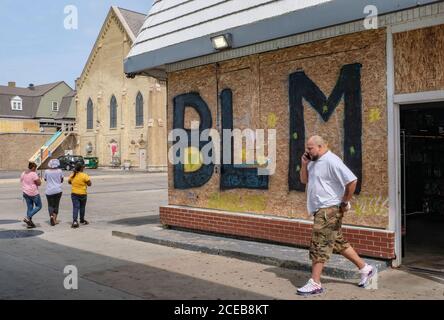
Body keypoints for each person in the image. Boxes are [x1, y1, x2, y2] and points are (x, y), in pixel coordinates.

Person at [297, 135, 377, 296]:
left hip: (329, 210)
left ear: (320, 146)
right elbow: (304, 180)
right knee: (337, 242)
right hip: (320, 209)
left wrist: (344, 202)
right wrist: (304, 163)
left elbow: (352, 180)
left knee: (319, 244)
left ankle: (315, 283)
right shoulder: (312, 161)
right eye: (307, 148)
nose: (308, 150)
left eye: (310, 148)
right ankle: (366, 269)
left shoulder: (331, 161)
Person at [68, 162, 91, 229]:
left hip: (74, 193)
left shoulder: (72, 175)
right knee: (82, 207)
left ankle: (75, 221)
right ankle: (82, 220)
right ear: (81, 168)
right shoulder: (84, 175)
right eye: (83, 167)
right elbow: (89, 184)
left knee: (75, 207)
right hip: (83, 194)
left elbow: (69, 182)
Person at [21, 162, 42, 228]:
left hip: (25, 192)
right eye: (35, 168)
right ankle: (28, 217)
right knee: (39, 206)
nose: (35, 169)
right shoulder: (33, 174)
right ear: (33, 167)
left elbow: (22, 181)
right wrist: (38, 177)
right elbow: (39, 183)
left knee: (30, 207)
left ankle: (29, 223)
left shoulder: (23, 173)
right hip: (33, 193)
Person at [44, 159, 64, 226]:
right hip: (58, 190)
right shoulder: (60, 171)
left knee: (50, 205)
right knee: (56, 205)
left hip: (49, 191)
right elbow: (62, 180)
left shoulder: (46, 171)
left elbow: (45, 179)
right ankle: (55, 220)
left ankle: (51, 217)